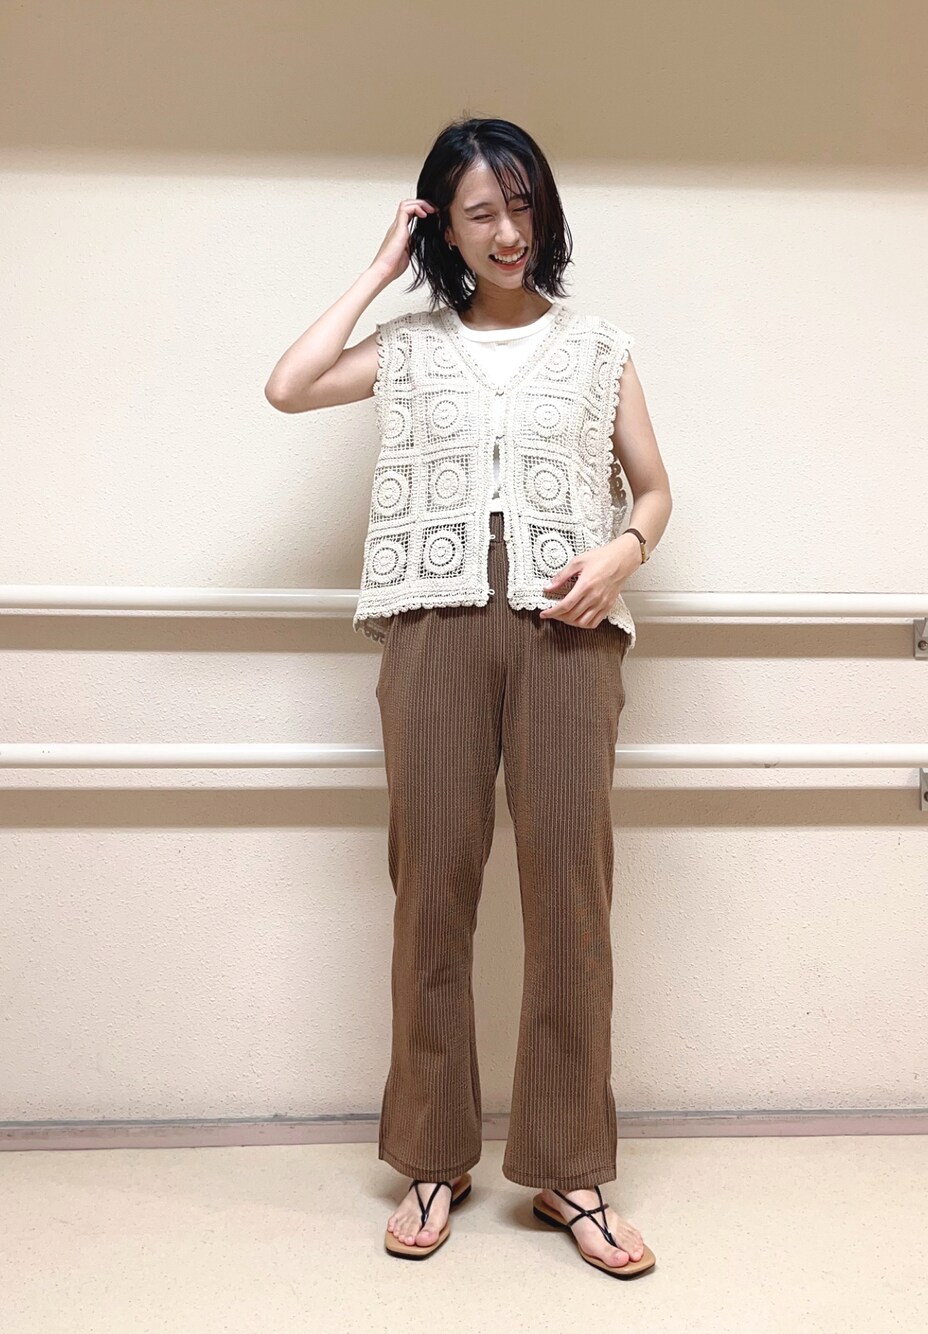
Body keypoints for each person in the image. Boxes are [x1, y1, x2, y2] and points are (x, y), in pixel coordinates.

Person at [265, 117, 672, 1279]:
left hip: (567, 630)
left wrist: (621, 553)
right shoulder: (408, 349)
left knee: (571, 895)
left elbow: (652, 490)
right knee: (431, 897)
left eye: (522, 203)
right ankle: (433, 1155)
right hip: (432, 623)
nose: (507, 230)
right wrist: (379, 270)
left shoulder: (598, 349)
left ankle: (571, 1168)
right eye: (480, 211)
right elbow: (288, 385)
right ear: (444, 226)